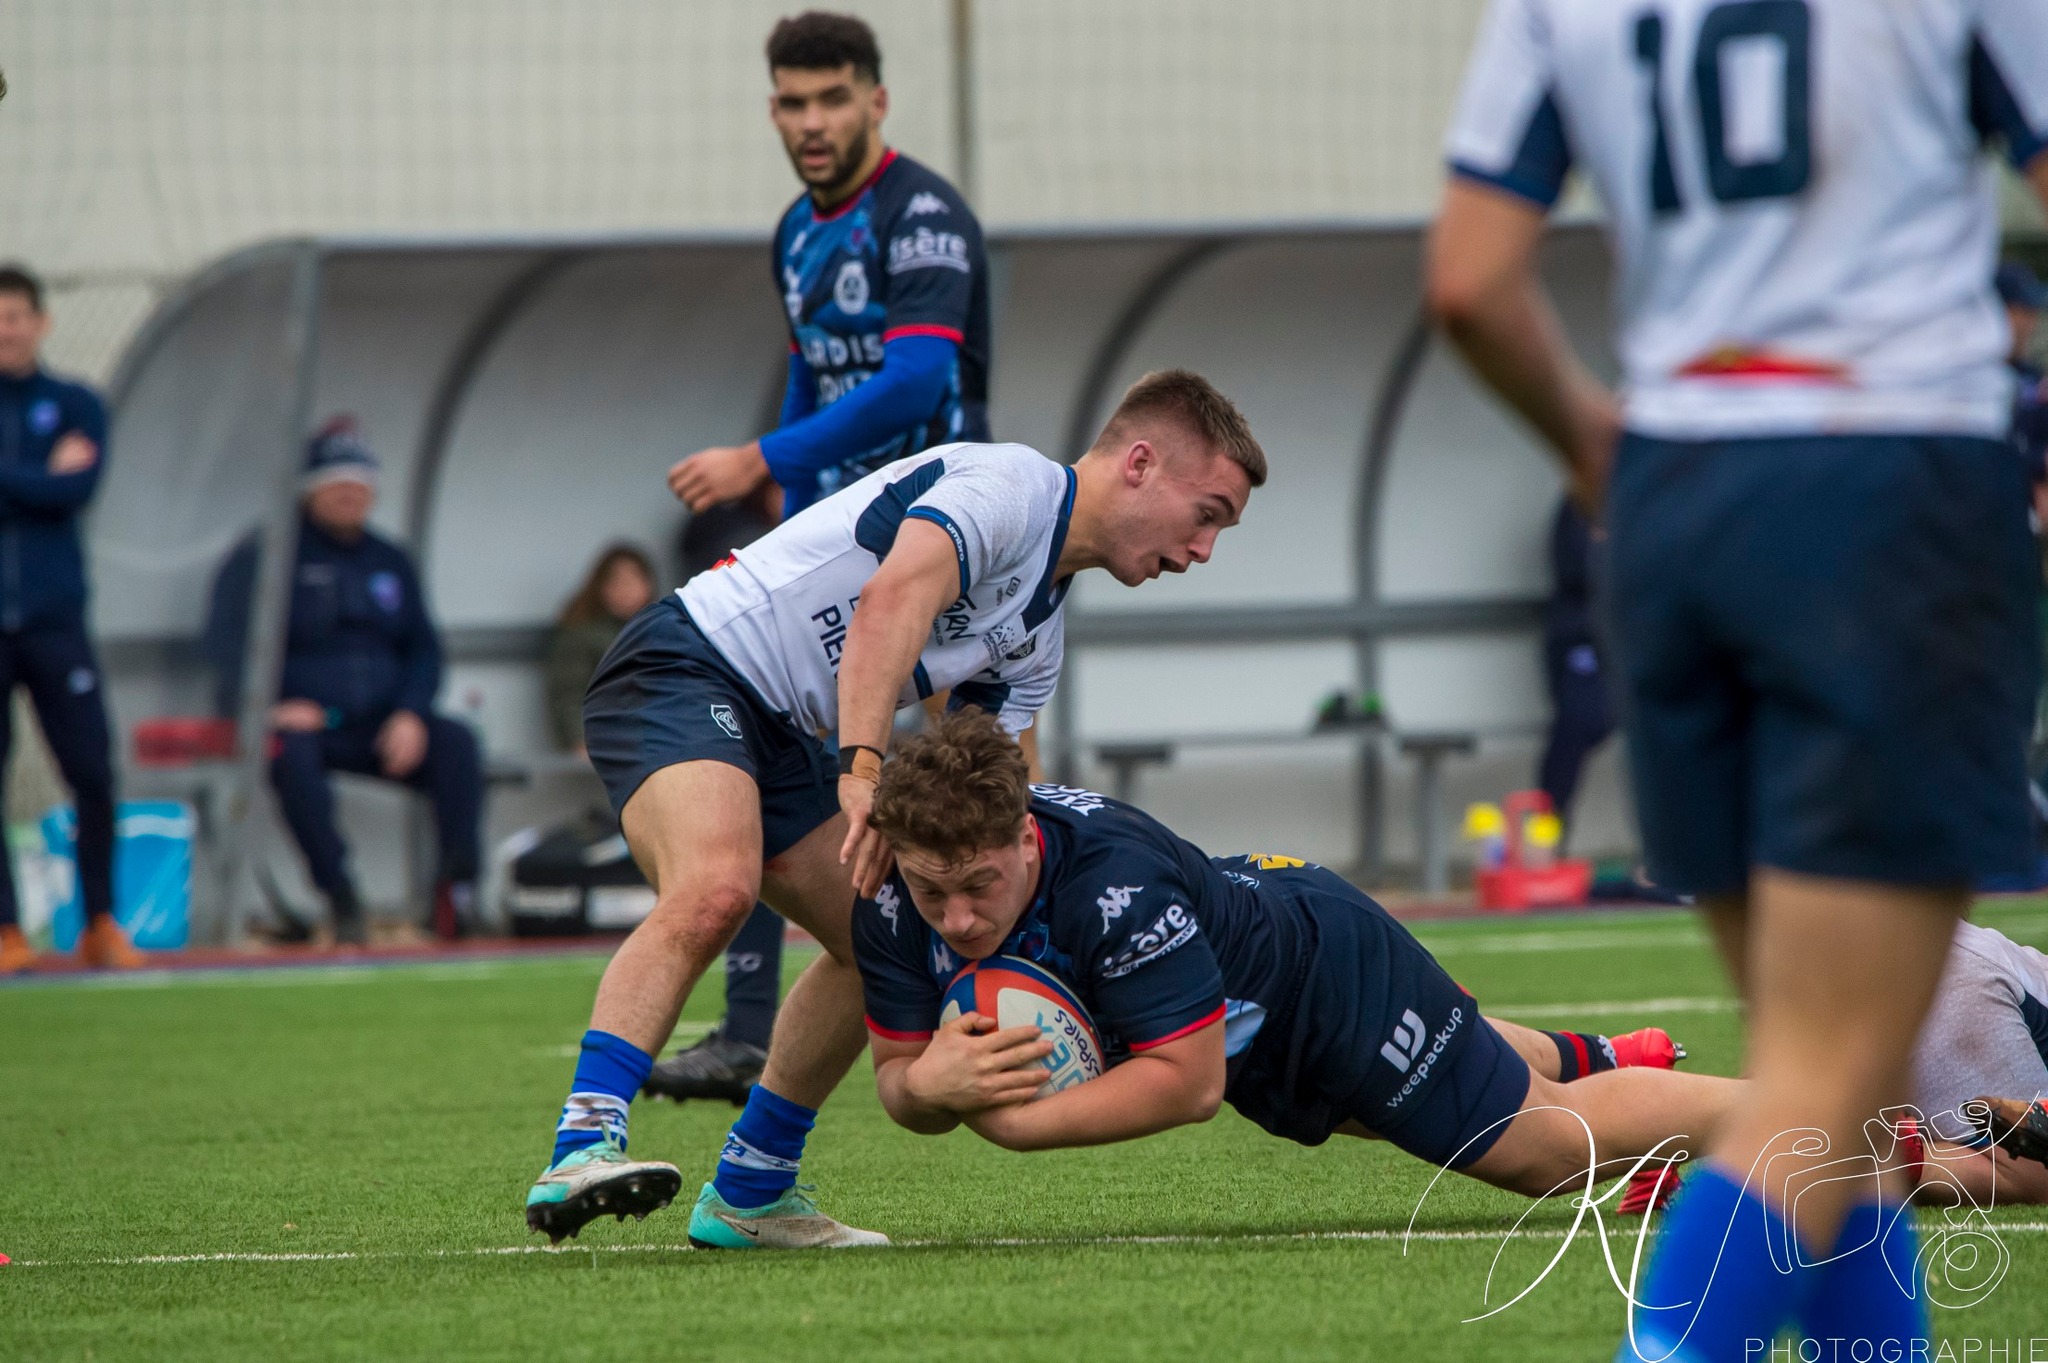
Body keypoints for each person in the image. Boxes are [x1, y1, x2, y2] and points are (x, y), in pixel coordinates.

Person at [1431, 0, 2048, 1357]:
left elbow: (1470, 282)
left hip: (1677, 509)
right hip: (1887, 484)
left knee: (1833, 1073)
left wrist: (1604, 451)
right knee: (1827, 1071)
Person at [524, 370, 1265, 1249]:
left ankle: (751, 1190)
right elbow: (890, 602)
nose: (1204, 549)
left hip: (790, 729)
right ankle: (582, 1142)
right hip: (689, 665)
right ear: (1140, 463)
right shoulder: (1011, 490)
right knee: (717, 887)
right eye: (1208, 512)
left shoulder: (1038, 639)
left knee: (883, 934)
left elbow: (983, 788)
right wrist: (863, 770)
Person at [850, 709, 1734, 1204]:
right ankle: (1620, 1063)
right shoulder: (888, 892)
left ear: (1027, 838)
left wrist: (1008, 1122)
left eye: (980, 883)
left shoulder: (1113, 886)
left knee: (1536, 1147)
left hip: (1324, 976)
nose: (958, 919)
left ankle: (1838, 1120)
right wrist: (928, 1089)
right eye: (935, 891)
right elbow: (899, 1069)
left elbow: (1187, 1082)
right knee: (1461, 1081)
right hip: (1248, 1029)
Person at [665, 11, 990, 522]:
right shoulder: (795, 229)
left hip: (940, 519)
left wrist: (756, 461)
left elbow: (914, 386)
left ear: (877, 104)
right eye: (795, 104)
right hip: (841, 524)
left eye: (833, 99)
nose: (812, 123)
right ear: (774, 113)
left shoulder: (923, 215)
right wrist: (790, 535)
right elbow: (807, 384)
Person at [204, 419, 484, 946]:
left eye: (360, 483)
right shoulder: (267, 555)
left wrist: (410, 713)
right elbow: (226, 643)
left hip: (381, 724)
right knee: (290, 752)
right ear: (310, 488)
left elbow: (424, 648)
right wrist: (267, 706)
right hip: (306, 722)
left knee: (458, 744)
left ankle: (457, 894)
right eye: (336, 483)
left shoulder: (390, 559)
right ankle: (342, 895)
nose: (350, 493)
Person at [0, 263, 140, 974]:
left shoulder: (77, 402)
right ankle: (7, 930)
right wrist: (38, 481)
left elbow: (75, 490)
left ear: (41, 322)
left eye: (16, 315)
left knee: (91, 770)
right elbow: (48, 488)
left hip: (57, 622)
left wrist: (38, 483)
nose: (6, 329)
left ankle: (101, 922)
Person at [643, 501, 787, 1105]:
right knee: (742, 860)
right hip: (785, 667)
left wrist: (755, 457)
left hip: (840, 656)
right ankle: (750, 1037)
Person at [1536, 497, 1611, 830]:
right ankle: (1546, 838)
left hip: (1636, 637)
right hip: (1583, 638)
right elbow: (1578, 567)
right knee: (1577, 726)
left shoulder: (1652, 493)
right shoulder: (1580, 503)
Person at [544, 544, 657, 754]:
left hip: (655, 741)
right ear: (601, 587)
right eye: (618, 581)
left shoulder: (661, 628)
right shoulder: (580, 632)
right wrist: (579, 741)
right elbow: (568, 694)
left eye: (634, 580)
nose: (627, 589)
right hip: (605, 744)